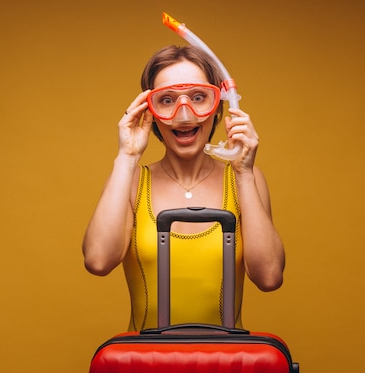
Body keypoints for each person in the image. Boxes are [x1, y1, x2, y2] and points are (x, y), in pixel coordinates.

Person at [83, 45, 285, 331]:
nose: (185, 114)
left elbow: (269, 277)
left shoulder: (245, 179)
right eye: (166, 100)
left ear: (217, 105)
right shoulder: (130, 181)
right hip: (145, 367)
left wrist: (244, 174)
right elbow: (98, 260)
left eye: (199, 97)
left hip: (228, 367)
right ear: (148, 110)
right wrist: (126, 157)